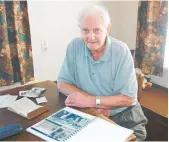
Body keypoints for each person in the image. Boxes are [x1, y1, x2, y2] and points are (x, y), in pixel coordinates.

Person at [57, 5, 147, 140]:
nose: (91, 37)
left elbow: (129, 98)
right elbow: (62, 83)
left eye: (97, 30)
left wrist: (92, 101)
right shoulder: (74, 47)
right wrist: (93, 104)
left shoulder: (121, 51)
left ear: (107, 29)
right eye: (85, 30)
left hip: (124, 117)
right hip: (91, 114)